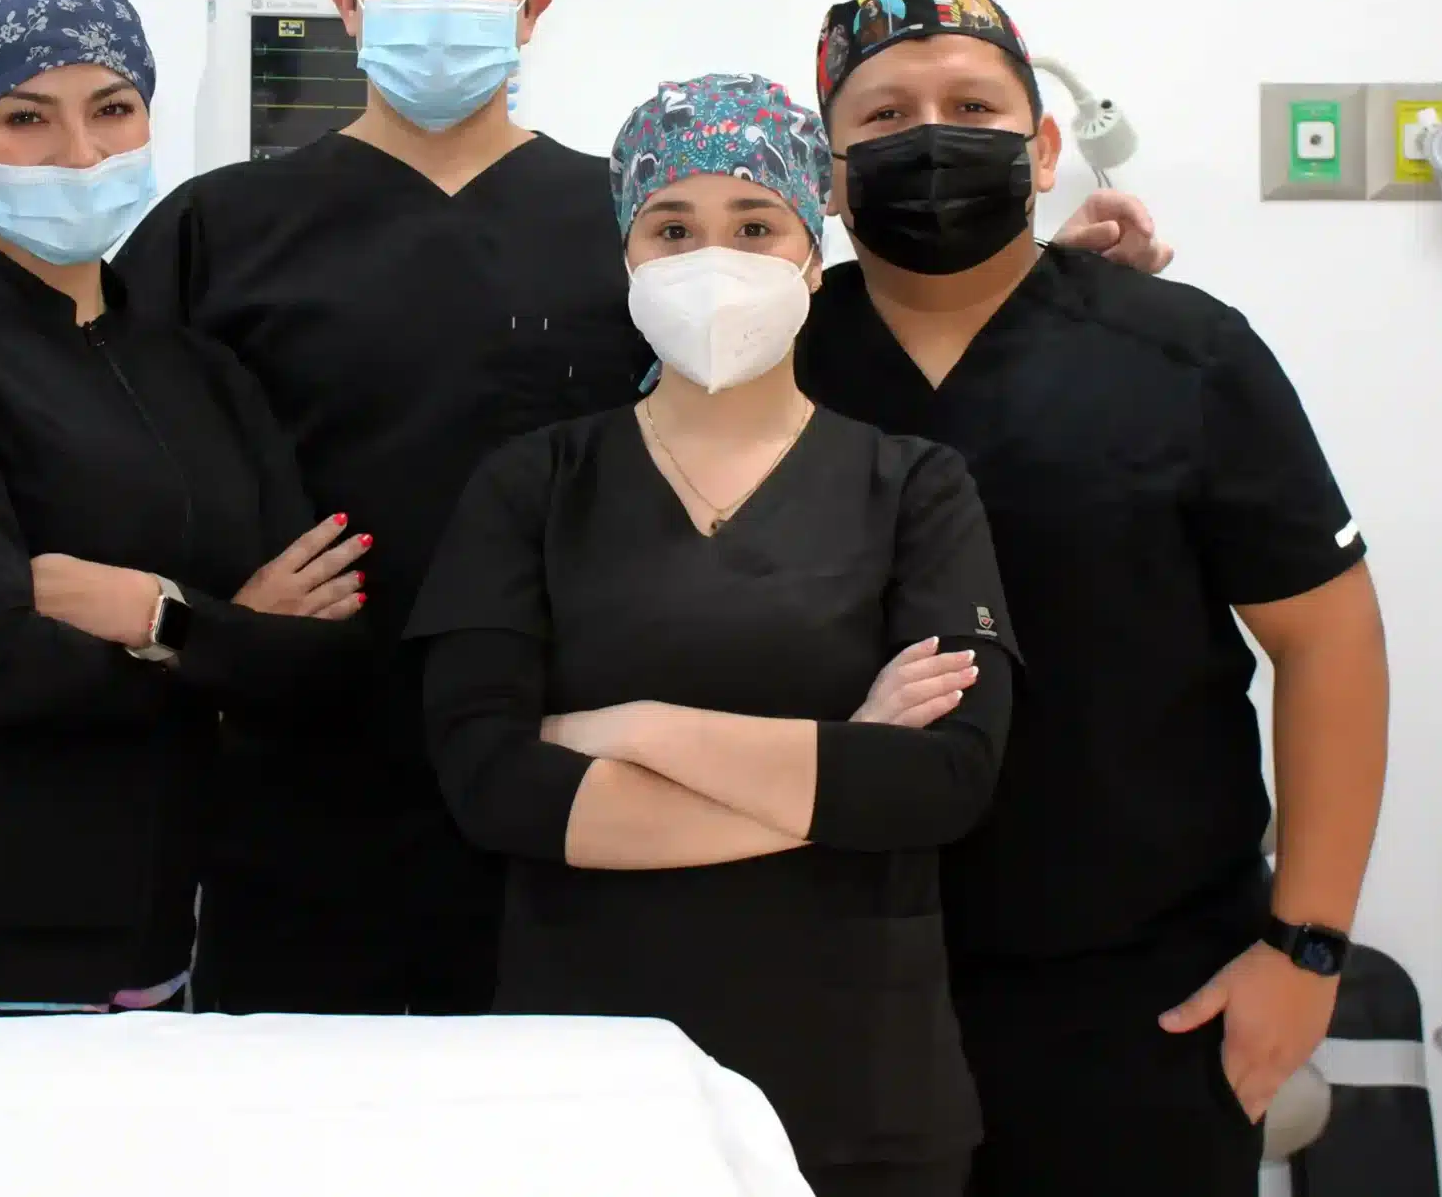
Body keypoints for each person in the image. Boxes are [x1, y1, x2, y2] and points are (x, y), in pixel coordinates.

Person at [0, 0, 1171, 1015]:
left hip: (571, 784)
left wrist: (1047, 284)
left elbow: (820, 360)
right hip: (289, 804)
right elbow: (68, 379)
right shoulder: (219, 225)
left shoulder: (640, 222)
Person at [793, 0, 1390, 1197]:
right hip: (814, 983)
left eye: (971, 103)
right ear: (830, 169)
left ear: (1046, 141)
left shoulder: (1180, 352)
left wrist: (1307, 949)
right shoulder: (766, 361)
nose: (932, 137)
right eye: (885, 117)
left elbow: (1329, 642)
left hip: (1137, 1003)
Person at [0, 0, 368, 1179]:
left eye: (113, 108)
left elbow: (321, 656)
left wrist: (139, 609)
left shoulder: (201, 372)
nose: (82, 149)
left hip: (144, 954)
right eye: (25, 118)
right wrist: (223, 626)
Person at [409, 75, 1019, 1197]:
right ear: (626, 255)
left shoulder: (914, 486)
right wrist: (835, 775)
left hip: (854, 1087)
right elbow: (494, 787)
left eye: (752, 225)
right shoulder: (534, 485)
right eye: (672, 228)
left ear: (810, 252)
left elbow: (941, 781)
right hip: (586, 1084)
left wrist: (638, 729)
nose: (712, 256)